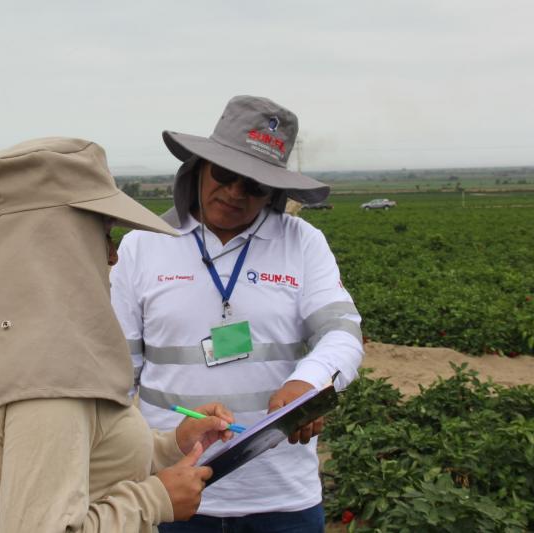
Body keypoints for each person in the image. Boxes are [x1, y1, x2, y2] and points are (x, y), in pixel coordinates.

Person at [0, 137, 236, 533]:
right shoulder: (50, 384)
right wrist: (155, 500)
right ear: (57, 241)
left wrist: (173, 446)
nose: (113, 254)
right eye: (103, 233)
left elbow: (86, 462)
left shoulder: (9, 347)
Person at [110, 95, 365, 532]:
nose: (234, 193)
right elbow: (116, 374)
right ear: (199, 167)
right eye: (225, 175)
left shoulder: (302, 243)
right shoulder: (143, 246)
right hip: (173, 491)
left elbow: (341, 332)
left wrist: (310, 380)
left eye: (254, 185)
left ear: (273, 190)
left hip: (282, 496)